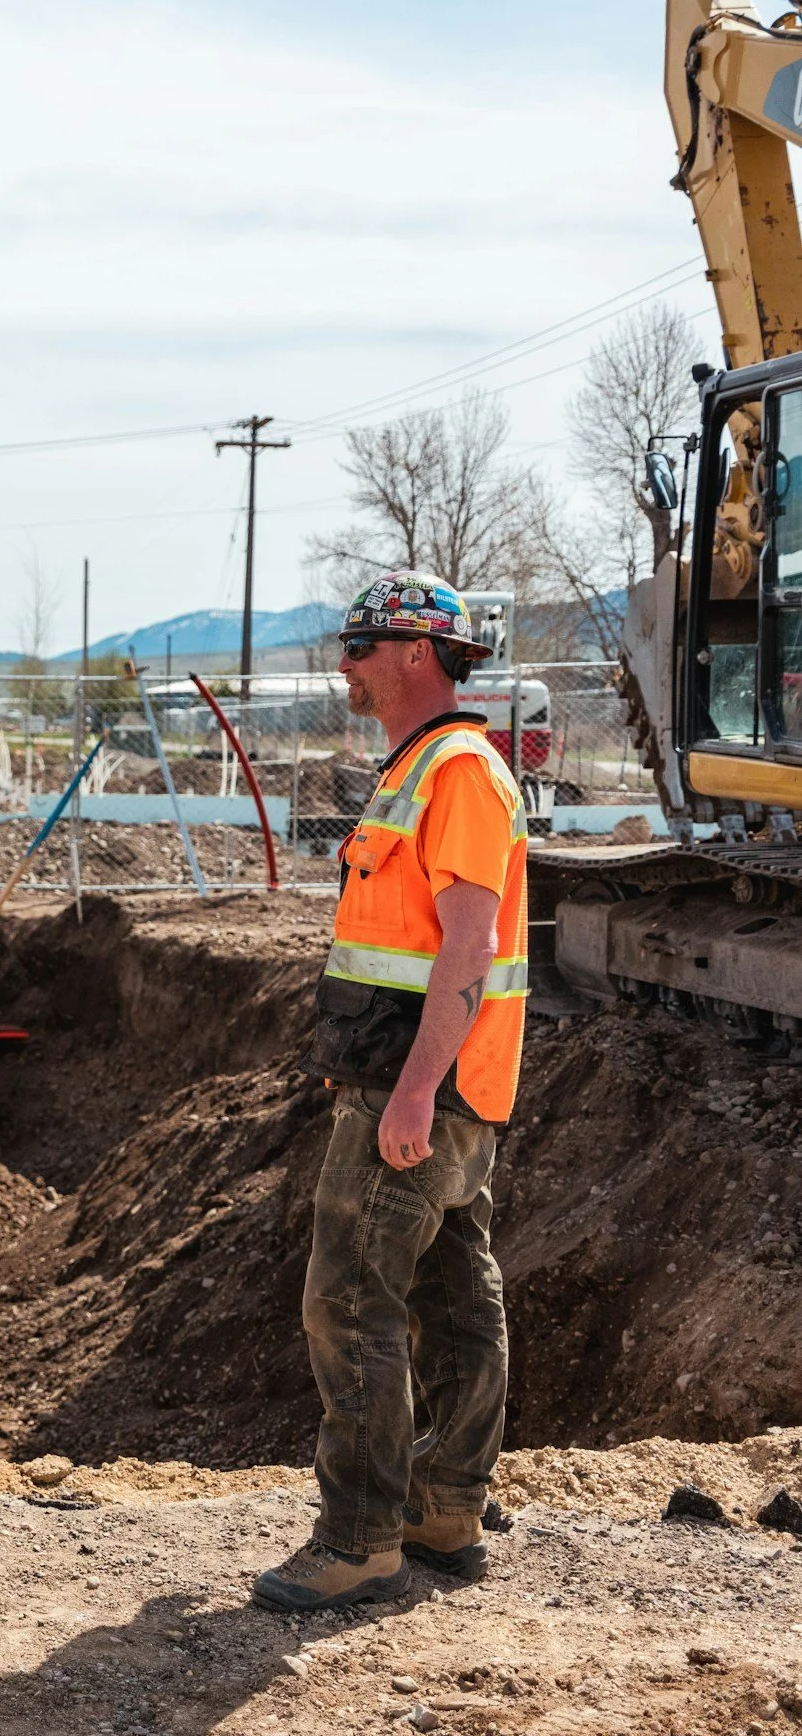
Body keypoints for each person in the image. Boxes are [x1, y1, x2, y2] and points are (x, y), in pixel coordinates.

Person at [253, 571, 528, 1614]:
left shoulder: (455, 770)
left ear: (418, 654)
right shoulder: (424, 766)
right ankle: (444, 1511)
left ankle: (361, 1538)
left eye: (361, 647)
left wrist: (412, 1093)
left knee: (348, 1301)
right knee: (458, 1295)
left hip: (414, 1086)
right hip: (439, 1080)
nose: (344, 664)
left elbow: (471, 942)